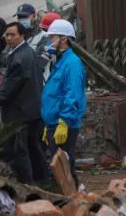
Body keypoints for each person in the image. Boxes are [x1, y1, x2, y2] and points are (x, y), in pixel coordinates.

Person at [0, 21, 45, 184]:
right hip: (33, 109)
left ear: (22, 35)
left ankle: (27, 184)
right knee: (34, 147)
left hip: (20, 111)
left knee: (20, 150)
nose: (8, 38)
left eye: (12, 35)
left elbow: (10, 86)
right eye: (6, 35)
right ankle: (42, 180)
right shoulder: (28, 52)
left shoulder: (19, 57)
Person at [41, 20, 86, 187]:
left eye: (52, 37)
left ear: (64, 39)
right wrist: (48, 124)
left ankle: (72, 199)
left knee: (64, 168)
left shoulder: (72, 63)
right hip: (54, 122)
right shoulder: (59, 61)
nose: (49, 41)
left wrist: (64, 121)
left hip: (63, 123)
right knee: (59, 168)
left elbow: (72, 94)